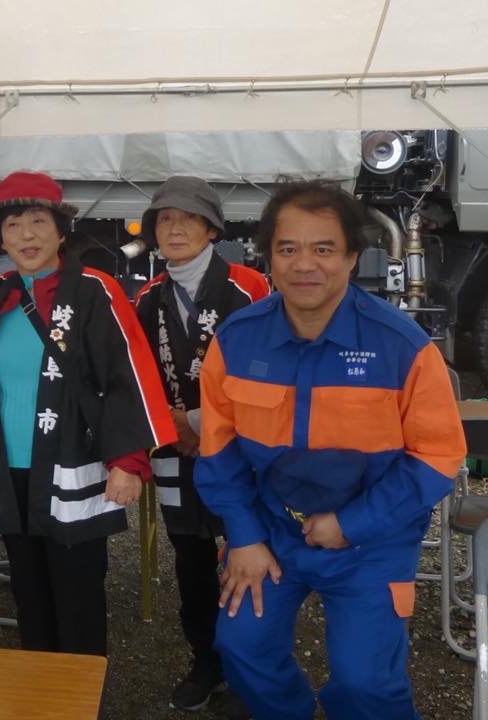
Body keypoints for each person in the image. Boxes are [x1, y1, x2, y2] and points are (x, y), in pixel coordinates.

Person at [195, 180, 467, 719]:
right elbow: (219, 450)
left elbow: (437, 456)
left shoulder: (402, 347)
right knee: (241, 648)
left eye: (323, 249)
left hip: (372, 541)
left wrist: (352, 523)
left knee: (367, 684)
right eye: (287, 248)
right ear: (267, 256)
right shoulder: (236, 341)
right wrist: (244, 535)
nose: (304, 265)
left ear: (351, 257)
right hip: (272, 531)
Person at [0, 171, 177, 656]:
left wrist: (129, 461)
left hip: (73, 464)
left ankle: (83, 689)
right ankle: (42, 689)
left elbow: (128, 373)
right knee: (29, 596)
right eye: (14, 225)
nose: (27, 235)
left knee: (78, 596)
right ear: (0, 238)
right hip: (10, 470)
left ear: (61, 231)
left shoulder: (94, 291)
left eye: (39, 222)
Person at [134, 177, 268, 712]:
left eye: (188, 218)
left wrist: (197, 422)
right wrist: (176, 429)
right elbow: (139, 376)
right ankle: (206, 662)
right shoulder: (147, 298)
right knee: (190, 557)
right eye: (164, 220)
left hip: (240, 447)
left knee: (247, 549)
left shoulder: (248, 287)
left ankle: (249, 670)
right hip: (175, 449)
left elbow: (264, 371)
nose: (175, 228)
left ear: (212, 228)